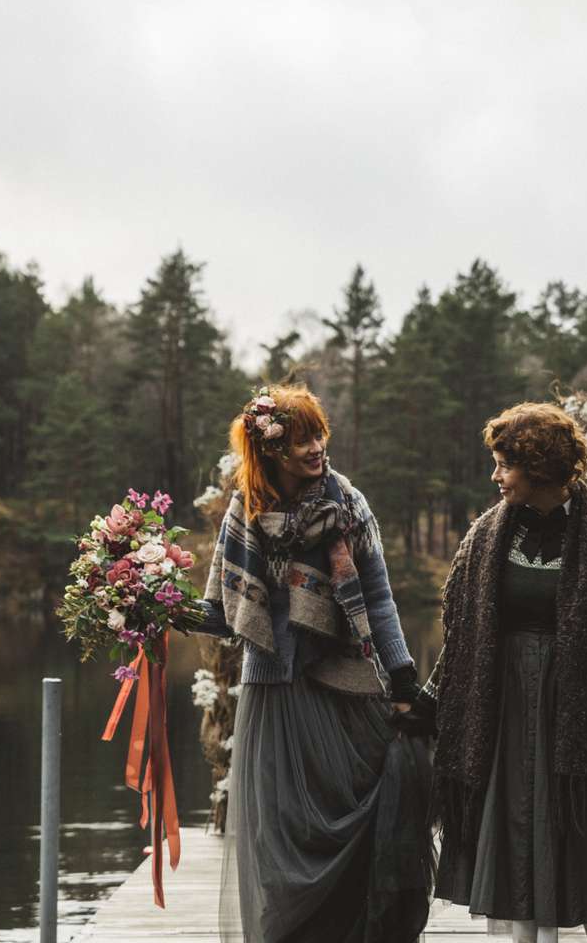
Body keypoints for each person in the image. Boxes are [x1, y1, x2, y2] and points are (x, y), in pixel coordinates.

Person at [401, 402, 587, 943]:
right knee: (518, 826)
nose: (494, 476)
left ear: (540, 468)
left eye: (504, 465)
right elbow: (462, 637)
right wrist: (426, 703)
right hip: (504, 714)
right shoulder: (484, 538)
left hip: (582, 717)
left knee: (586, 830)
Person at [195, 384, 433, 943]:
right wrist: (150, 603)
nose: (316, 447)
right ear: (270, 450)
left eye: (318, 433)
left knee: (357, 828)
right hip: (274, 696)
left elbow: (377, 598)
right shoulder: (246, 509)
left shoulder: (347, 502)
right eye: (301, 439)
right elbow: (218, 612)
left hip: (347, 692)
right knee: (282, 840)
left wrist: (402, 680)